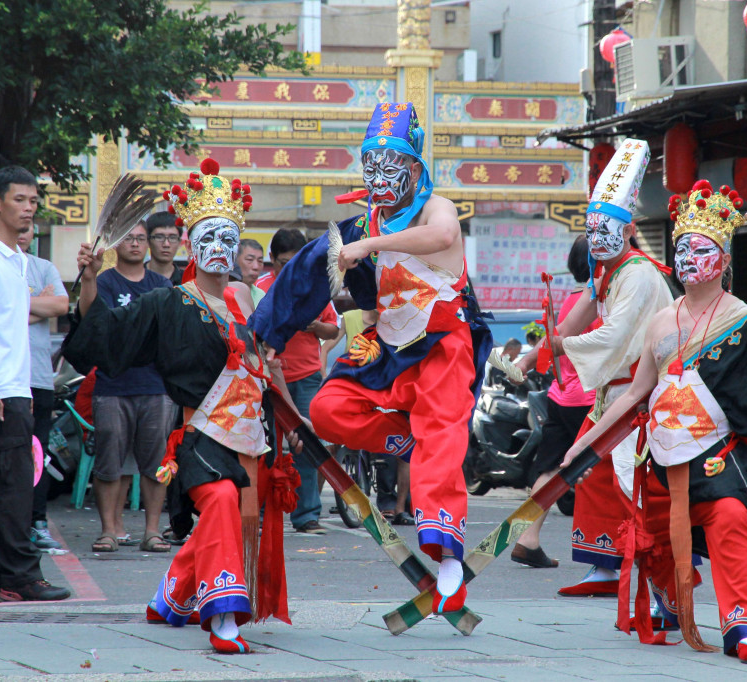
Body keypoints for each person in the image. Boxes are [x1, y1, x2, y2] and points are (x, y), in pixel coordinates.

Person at [563, 179, 747, 664]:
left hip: (716, 458)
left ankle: (745, 626)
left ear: (724, 260)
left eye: (701, 248)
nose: (688, 257)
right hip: (663, 456)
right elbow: (636, 394)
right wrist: (587, 443)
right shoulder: (662, 321)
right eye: (681, 247)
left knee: (731, 520)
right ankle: (670, 602)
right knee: (648, 529)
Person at [250, 102, 493, 614]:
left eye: (391, 166)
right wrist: (272, 330)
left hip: (443, 343)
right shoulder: (360, 226)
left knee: (443, 428)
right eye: (371, 167)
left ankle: (448, 557)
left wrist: (369, 245)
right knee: (328, 410)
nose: (380, 177)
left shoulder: (435, 208)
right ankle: (412, 443)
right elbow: (310, 276)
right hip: (386, 345)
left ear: (414, 169)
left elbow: (443, 238)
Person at [65, 158, 301, 654]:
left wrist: (294, 418)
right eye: (208, 239)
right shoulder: (168, 302)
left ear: (238, 248)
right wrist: (89, 280)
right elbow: (105, 336)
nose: (219, 249)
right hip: (200, 435)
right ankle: (222, 619)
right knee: (218, 501)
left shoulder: (250, 299)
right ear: (192, 245)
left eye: (228, 240)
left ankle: (171, 595)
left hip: (253, 433)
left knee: (239, 515)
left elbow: (266, 363)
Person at [517, 138, 671, 596]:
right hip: (611, 391)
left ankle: (651, 566)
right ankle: (604, 567)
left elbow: (614, 336)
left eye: (607, 227)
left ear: (629, 229)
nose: (598, 236)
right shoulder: (605, 272)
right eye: (592, 227)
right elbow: (577, 318)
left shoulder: (641, 274)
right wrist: (534, 355)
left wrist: (560, 346)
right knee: (593, 477)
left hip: (642, 393)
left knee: (630, 479)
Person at [0, 166, 70, 602]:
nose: (28, 209)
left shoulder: (19, 260)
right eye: (20, 200)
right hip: (2, 390)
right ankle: (21, 577)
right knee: (12, 488)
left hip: (17, 386)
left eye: (33, 201)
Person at [509, 235, 598, 568]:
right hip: (589, 398)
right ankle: (616, 546)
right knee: (608, 470)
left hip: (562, 395)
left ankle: (527, 539)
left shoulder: (571, 298)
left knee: (548, 469)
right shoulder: (596, 300)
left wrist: (525, 363)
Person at [88, 221, 175, 553]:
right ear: (115, 245)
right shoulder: (105, 282)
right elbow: (101, 327)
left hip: (156, 385)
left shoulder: (162, 284)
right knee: (109, 462)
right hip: (112, 385)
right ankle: (109, 530)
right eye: (129, 239)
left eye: (141, 238)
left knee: (156, 463)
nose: (136, 244)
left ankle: (152, 531)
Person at [256, 228, 339, 535]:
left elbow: (333, 331)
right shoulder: (259, 289)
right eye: (281, 263)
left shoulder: (314, 288)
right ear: (271, 260)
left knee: (307, 443)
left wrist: (314, 325)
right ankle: (262, 512)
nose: (287, 269)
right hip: (266, 379)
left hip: (305, 377)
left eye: (294, 262)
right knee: (266, 447)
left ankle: (306, 515)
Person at [16, 227, 69, 551]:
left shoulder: (44, 267)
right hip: (7, 379)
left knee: (39, 453)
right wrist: (39, 302)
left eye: (28, 229)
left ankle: (37, 522)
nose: (24, 233)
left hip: (39, 377)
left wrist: (21, 306)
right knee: (9, 455)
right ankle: (10, 526)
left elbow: (61, 306)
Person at [145, 212, 184, 286]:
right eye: (159, 237)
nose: (166, 244)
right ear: (148, 241)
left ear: (179, 243)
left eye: (172, 238)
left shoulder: (187, 281)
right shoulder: (135, 278)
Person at [236, 238, 266, 306]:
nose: (256, 267)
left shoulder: (261, 295)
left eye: (260, 261)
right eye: (250, 260)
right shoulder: (222, 291)